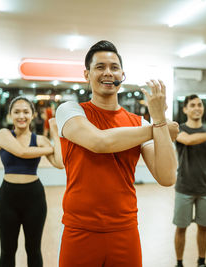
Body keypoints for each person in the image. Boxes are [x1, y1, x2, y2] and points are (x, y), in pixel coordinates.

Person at [55, 40, 179, 267]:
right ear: (87, 74)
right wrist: (157, 128)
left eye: (114, 67)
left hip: (124, 228)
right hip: (80, 229)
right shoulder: (69, 111)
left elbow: (167, 177)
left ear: (123, 74)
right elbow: (99, 142)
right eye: (100, 67)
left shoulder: (139, 124)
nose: (108, 73)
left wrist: (159, 119)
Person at [0, 96, 64, 267]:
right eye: (16, 112)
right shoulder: (3, 135)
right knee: (7, 250)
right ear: (10, 115)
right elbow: (22, 152)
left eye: (26, 112)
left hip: (34, 199)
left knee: (33, 249)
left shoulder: (40, 140)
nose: (21, 116)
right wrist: (49, 149)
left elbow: (60, 163)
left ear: (32, 115)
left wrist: (54, 131)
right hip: (7, 199)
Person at [174, 94, 206, 267]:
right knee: (181, 228)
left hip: (205, 187)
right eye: (193, 105)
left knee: (203, 227)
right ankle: (179, 263)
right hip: (184, 186)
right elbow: (188, 140)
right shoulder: (178, 129)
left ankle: (201, 262)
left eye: (200, 105)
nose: (197, 108)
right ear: (185, 109)